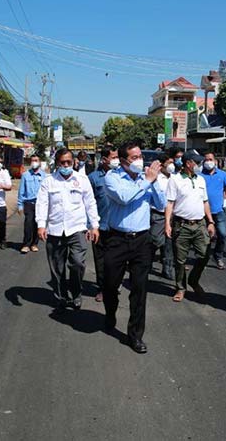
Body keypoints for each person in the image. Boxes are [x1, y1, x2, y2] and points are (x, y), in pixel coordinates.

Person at [103, 141, 166, 354]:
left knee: (139, 289)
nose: (139, 160)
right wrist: (147, 181)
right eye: (134, 157)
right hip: (117, 239)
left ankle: (135, 335)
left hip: (141, 240)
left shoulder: (146, 178)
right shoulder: (112, 177)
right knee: (110, 285)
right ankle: (110, 313)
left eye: (140, 156)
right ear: (123, 161)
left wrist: (153, 181)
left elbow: (161, 204)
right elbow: (123, 198)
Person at [36, 148, 100, 309]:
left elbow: (90, 203)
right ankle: (61, 297)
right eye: (62, 162)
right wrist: (41, 225)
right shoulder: (49, 181)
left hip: (77, 228)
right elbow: (42, 203)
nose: (66, 165)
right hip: (55, 229)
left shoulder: (82, 180)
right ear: (57, 163)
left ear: (74, 162)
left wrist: (94, 225)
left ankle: (76, 293)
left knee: (78, 263)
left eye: (68, 162)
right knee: (57, 267)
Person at [165, 152, 215, 302]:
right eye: (197, 163)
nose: (200, 165)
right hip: (182, 225)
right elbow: (170, 203)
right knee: (180, 260)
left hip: (200, 224)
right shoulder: (175, 180)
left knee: (204, 254)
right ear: (188, 163)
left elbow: (205, 202)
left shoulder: (200, 179)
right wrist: (167, 223)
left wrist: (210, 221)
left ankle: (194, 280)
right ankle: (181, 288)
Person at [88, 145, 119, 302]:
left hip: (118, 226)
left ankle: (113, 285)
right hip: (100, 227)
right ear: (105, 159)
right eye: (114, 157)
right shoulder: (93, 178)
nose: (116, 160)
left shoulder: (121, 175)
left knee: (115, 260)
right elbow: (88, 202)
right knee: (100, 260)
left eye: (117, 157)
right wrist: (90, 226)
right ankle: (102, 288)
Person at [201, 152, 226, 270]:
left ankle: (218, 256)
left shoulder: (222, 174)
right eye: (206, 160)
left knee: (222, 234)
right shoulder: (200, 176)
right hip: (203, 212)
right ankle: (203, 259)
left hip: (219, 210)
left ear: (215, 161)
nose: (208, 162)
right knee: (206, 237)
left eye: (210, 159)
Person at [150, 153, 175, 280]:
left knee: (169, 244)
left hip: (172, 215)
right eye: (169, 163)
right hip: (158, 214)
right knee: (154, 241)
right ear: (162, 164)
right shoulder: (157, 179)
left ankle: (168, 269)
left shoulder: (175, 178)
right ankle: (146, 263)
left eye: (172, 162)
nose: (172, 165)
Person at [17, 154, 44, 254]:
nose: (34, 162)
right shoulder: (25, 175)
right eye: (32, 160)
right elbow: (21, 191)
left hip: (40, 204)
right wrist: (20, 205)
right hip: (29, 203)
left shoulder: (44, 176)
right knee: (28, 223)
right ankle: (26, 244)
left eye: (36, 160)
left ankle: (34, 244)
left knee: (37, 223)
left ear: (40, 162)